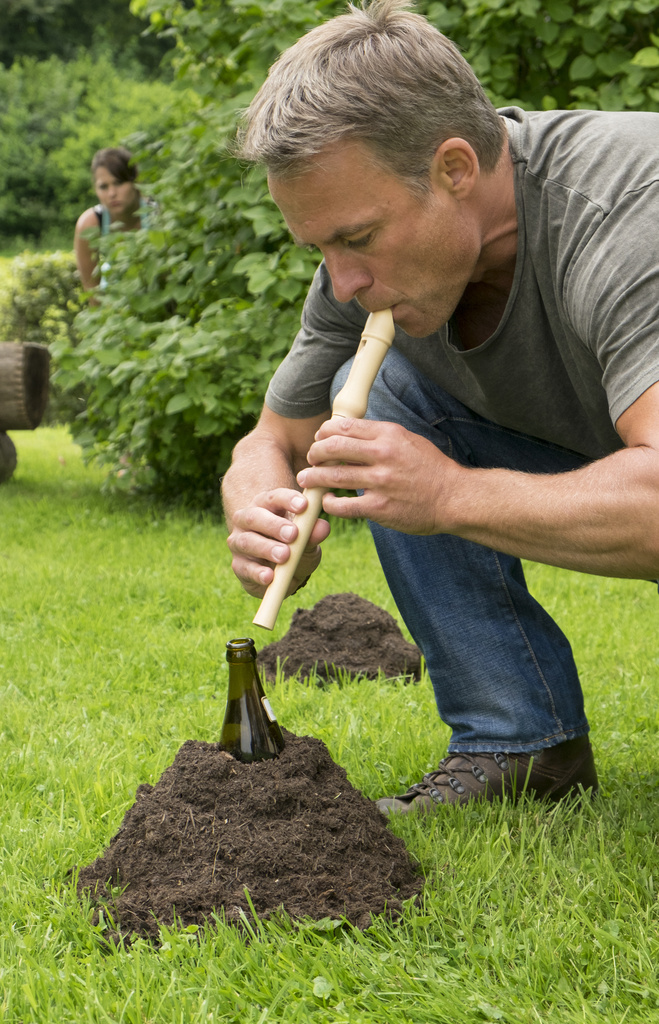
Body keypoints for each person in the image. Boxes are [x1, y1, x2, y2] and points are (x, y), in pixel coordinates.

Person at [221, 0, 659, 813]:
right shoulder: (361, 276)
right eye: (319, 247)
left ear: (455, 168)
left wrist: (447, 493)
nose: (341, 281)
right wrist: (258, 505)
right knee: (383, 405)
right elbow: (269, 440)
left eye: (355, 237)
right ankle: (517, 745)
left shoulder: (630, 213)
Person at [74, 147, 143, 295]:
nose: (112, 193)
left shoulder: (158, 214)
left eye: (118, 183)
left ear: (135, 181)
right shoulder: (90, 224)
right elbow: (92, 292)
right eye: (103, 186)